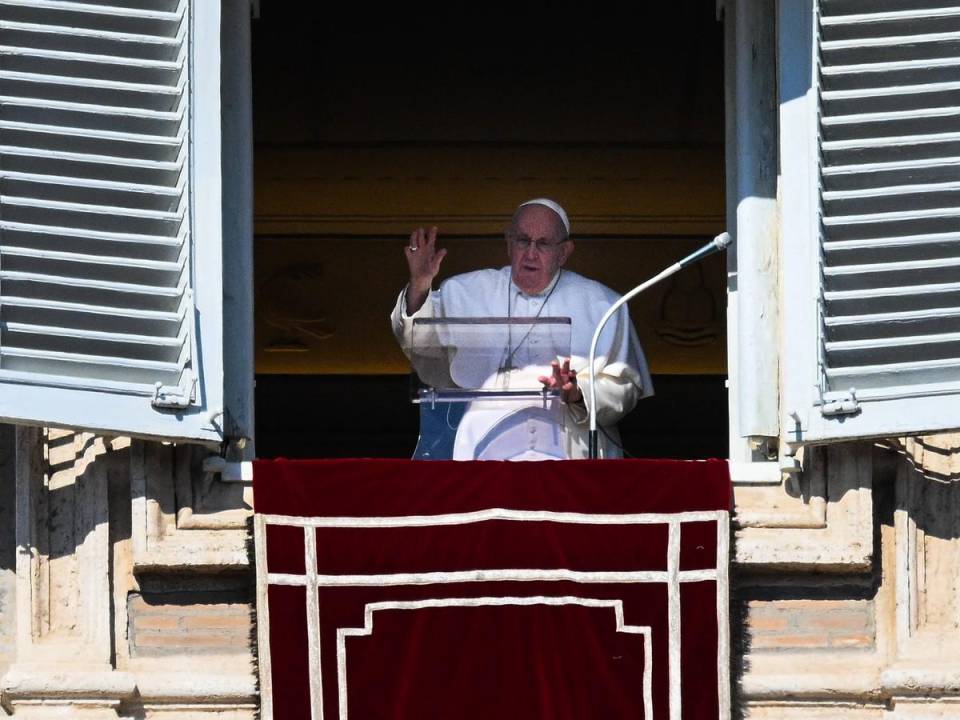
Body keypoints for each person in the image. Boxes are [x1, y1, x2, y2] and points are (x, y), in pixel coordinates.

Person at [391, 198, 652, 459]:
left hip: (572, 452)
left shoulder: (601, 304)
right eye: (523, 240)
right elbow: (419, 342)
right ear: (508, 243)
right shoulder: (466, 291)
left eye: (543, 244)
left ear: (564, 252)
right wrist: (420, 285)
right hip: (483, 448)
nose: (530, 253)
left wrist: (577, 393)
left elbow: (625, 386)